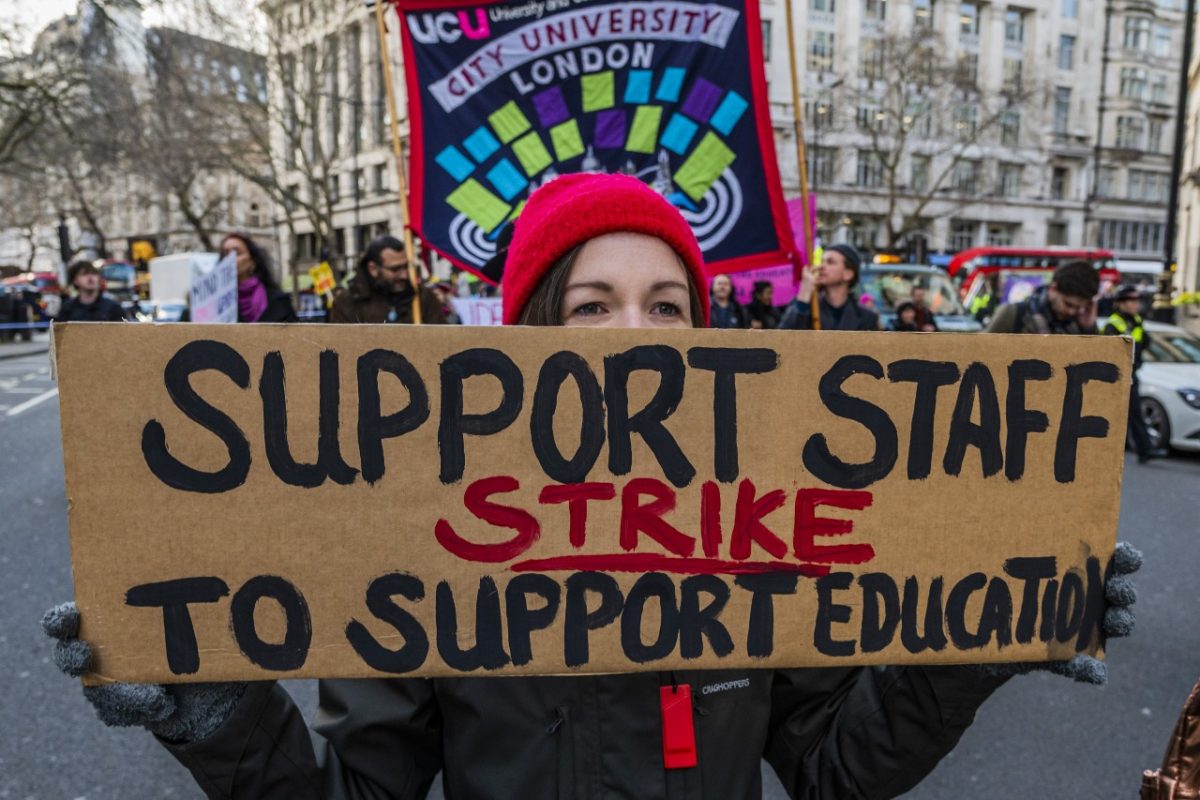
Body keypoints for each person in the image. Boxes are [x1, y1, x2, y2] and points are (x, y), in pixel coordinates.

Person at [42, 174, 1140, 800]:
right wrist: (227, 718)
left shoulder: (766, 526)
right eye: (594, 304)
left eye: (668, 306)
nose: (637, 336)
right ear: (527, 338)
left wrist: (966, 645)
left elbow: (831, 766)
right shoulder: (428, 538)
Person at [1105, 284, 1168, 463]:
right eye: (1131, 301)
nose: (1135, 305)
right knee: (1120, 413)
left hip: (1132, 373)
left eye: (1137, 301)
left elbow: (1145, 342)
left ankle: (1144, 450)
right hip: (1117, 376)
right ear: (1121, 304)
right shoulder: (1114, 323)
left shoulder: (1137, 320)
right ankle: (1142, 449)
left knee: (1132, 413)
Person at [330, 235, 446, 325]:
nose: (404, 275)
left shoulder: (423, 297)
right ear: (373, 269)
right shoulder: (346, 303)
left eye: (406, 267)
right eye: (395, 269)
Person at [779, 244, 880, 331]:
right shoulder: (805, 307)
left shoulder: (867, 318)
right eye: (822, 261)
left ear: (848, 274)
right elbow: (783, 339)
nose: (822, 266)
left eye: (830, 262)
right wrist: (805, 292)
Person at [985, 260, 1099, 335]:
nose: (1072, 312)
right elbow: (981, 352)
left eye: (1079, 308)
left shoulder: (1080, 323)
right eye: (1068, 304)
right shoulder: (1012, 314)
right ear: (1053, 288)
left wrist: (1089, 329)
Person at [208, 233, 298, 323]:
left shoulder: (279, 301)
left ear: (252, 261)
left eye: (237, 253)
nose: (229, 258)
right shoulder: (213, 303)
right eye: (225, 254)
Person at [56, 261, 127, 322]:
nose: (90, 277)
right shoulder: (67, 309)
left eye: (94, 273)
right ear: (75, 280)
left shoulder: (113, 308)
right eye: (84, 274)